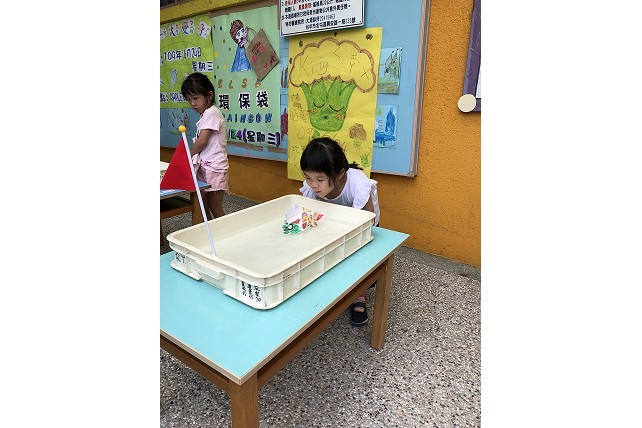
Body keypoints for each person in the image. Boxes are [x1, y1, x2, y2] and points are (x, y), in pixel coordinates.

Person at [299, 137, 380, 326]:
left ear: (340, 173)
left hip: (364, 223)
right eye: (308, 177)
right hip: (333, 223)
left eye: (320, 179)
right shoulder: (312, 187)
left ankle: (359, 296)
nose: (313, 185)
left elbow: (368, 220)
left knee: (357, 259)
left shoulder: (358, 185)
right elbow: (308, 211)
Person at [180, 72, 229, 219]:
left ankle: (225, 231)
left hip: (215, 168)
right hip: (204, 166)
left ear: (209, 95)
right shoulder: (205, 114)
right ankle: (209, 232)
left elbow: (202, 141)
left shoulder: (211, 113)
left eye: (196, 98)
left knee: (215, 207)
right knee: (203, 207)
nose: (192, 103)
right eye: (189, 99)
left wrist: (186, 155)